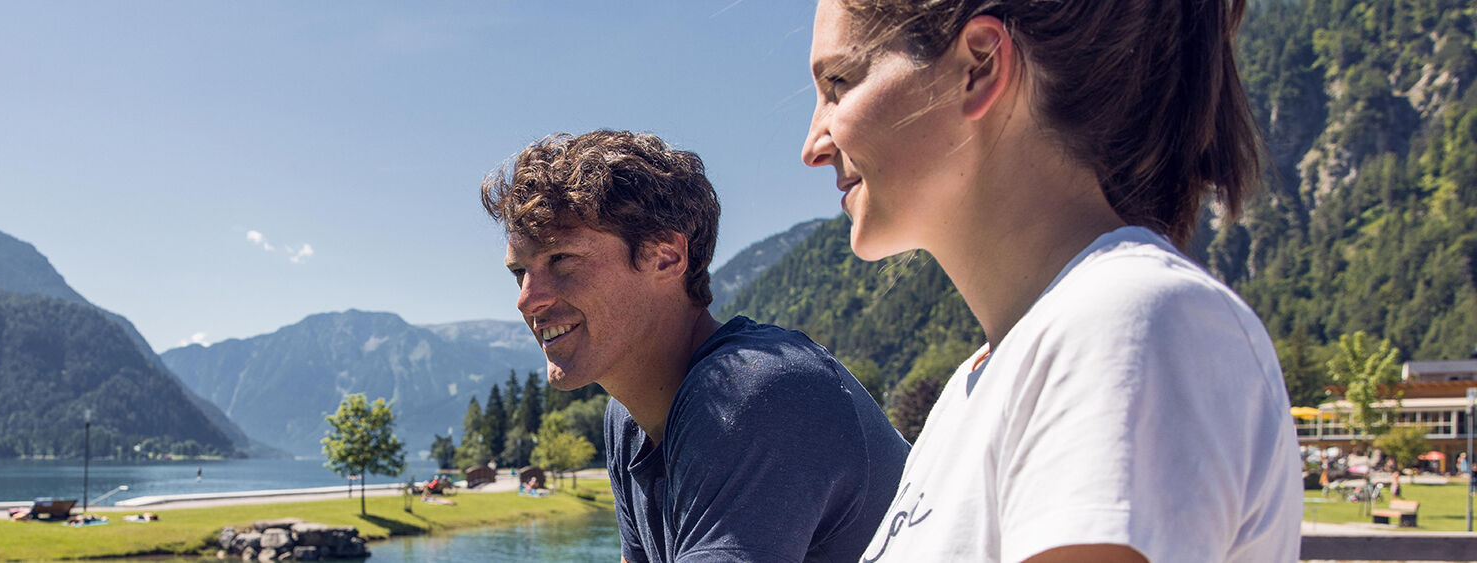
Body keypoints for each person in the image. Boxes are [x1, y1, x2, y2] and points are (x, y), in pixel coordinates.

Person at [797, 0, 1302, 561]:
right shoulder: (986, 378)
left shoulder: (1123, 322)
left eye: (839, 82)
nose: (813, 146)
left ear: (980, 66)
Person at [482, 130, 909, 562]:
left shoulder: (754, 392)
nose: (526, 299)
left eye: (561, 260)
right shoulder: (627, 421)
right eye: (520, 274)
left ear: (666, 257)